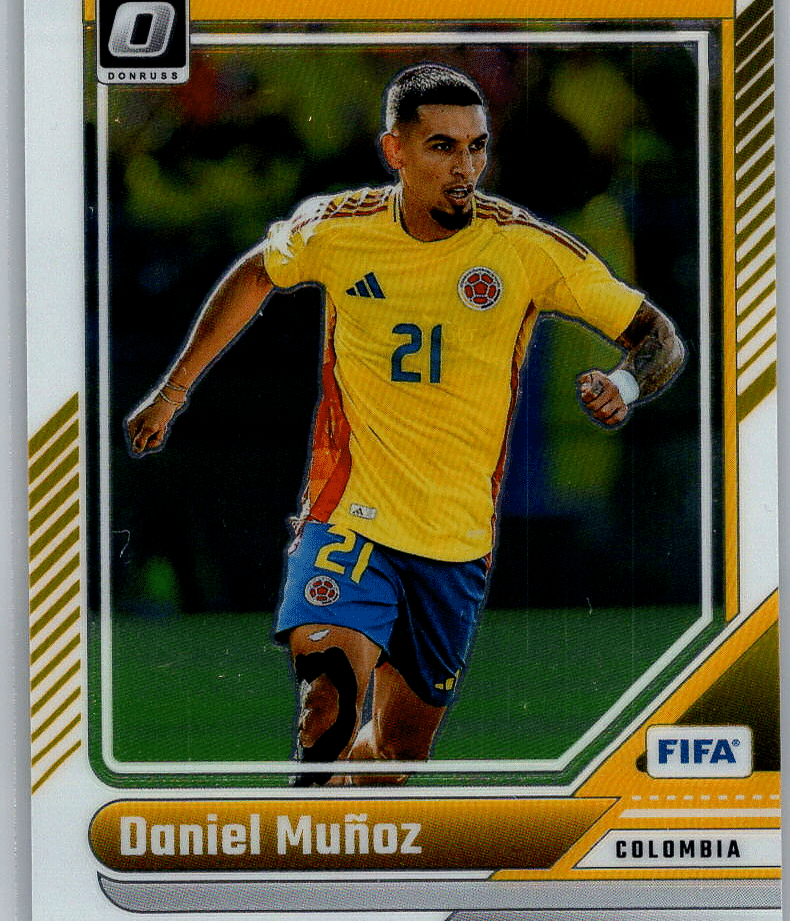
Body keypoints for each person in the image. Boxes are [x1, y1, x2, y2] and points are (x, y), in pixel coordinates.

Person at [126, 62, 685, 786]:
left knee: (395, 757)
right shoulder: (338, 228)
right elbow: (258, 271)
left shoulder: (524, 249)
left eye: (476, 147)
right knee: (326, 708)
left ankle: (345, 820)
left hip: (453, 542)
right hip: (349, 518)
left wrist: (624, 383)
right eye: (442, 147)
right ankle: (303, 845)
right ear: (395, 150)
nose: (465, 167)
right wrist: (174, 391)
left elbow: (658, 338)